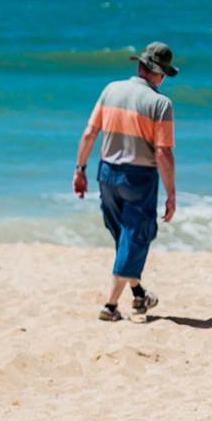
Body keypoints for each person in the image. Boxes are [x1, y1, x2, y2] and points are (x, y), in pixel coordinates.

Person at [73, 42, 179, 322]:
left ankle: (139, 293)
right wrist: (171, 194)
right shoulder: (160, 104)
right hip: (139, 177)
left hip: (106, 174)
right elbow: (163, 152)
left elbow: (89, 133)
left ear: (139, 66)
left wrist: (80, 169)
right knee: (135, 236)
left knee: (124, 238)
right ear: (158, 73)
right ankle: (110, 306)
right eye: (165, 73)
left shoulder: (111, 90)